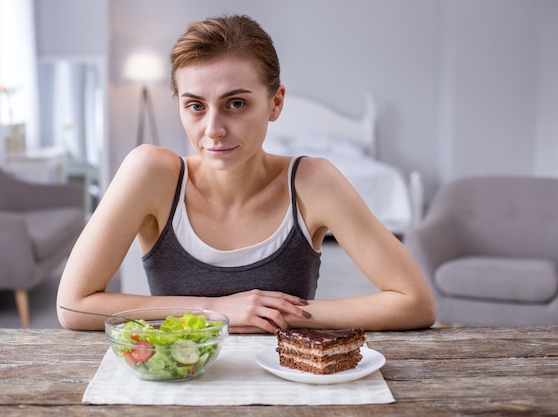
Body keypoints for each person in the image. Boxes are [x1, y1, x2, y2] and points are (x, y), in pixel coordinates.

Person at [57, 14, 436, 333]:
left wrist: (271, 313)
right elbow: (73, 306)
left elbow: (416, 303)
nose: (213, 129)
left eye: (235, 103)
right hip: (181, 381)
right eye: (195, 106)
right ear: (179, 106)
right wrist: (218, 311)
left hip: (289, 382)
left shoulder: (312, 182)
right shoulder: (151, 173)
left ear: (276, 103)